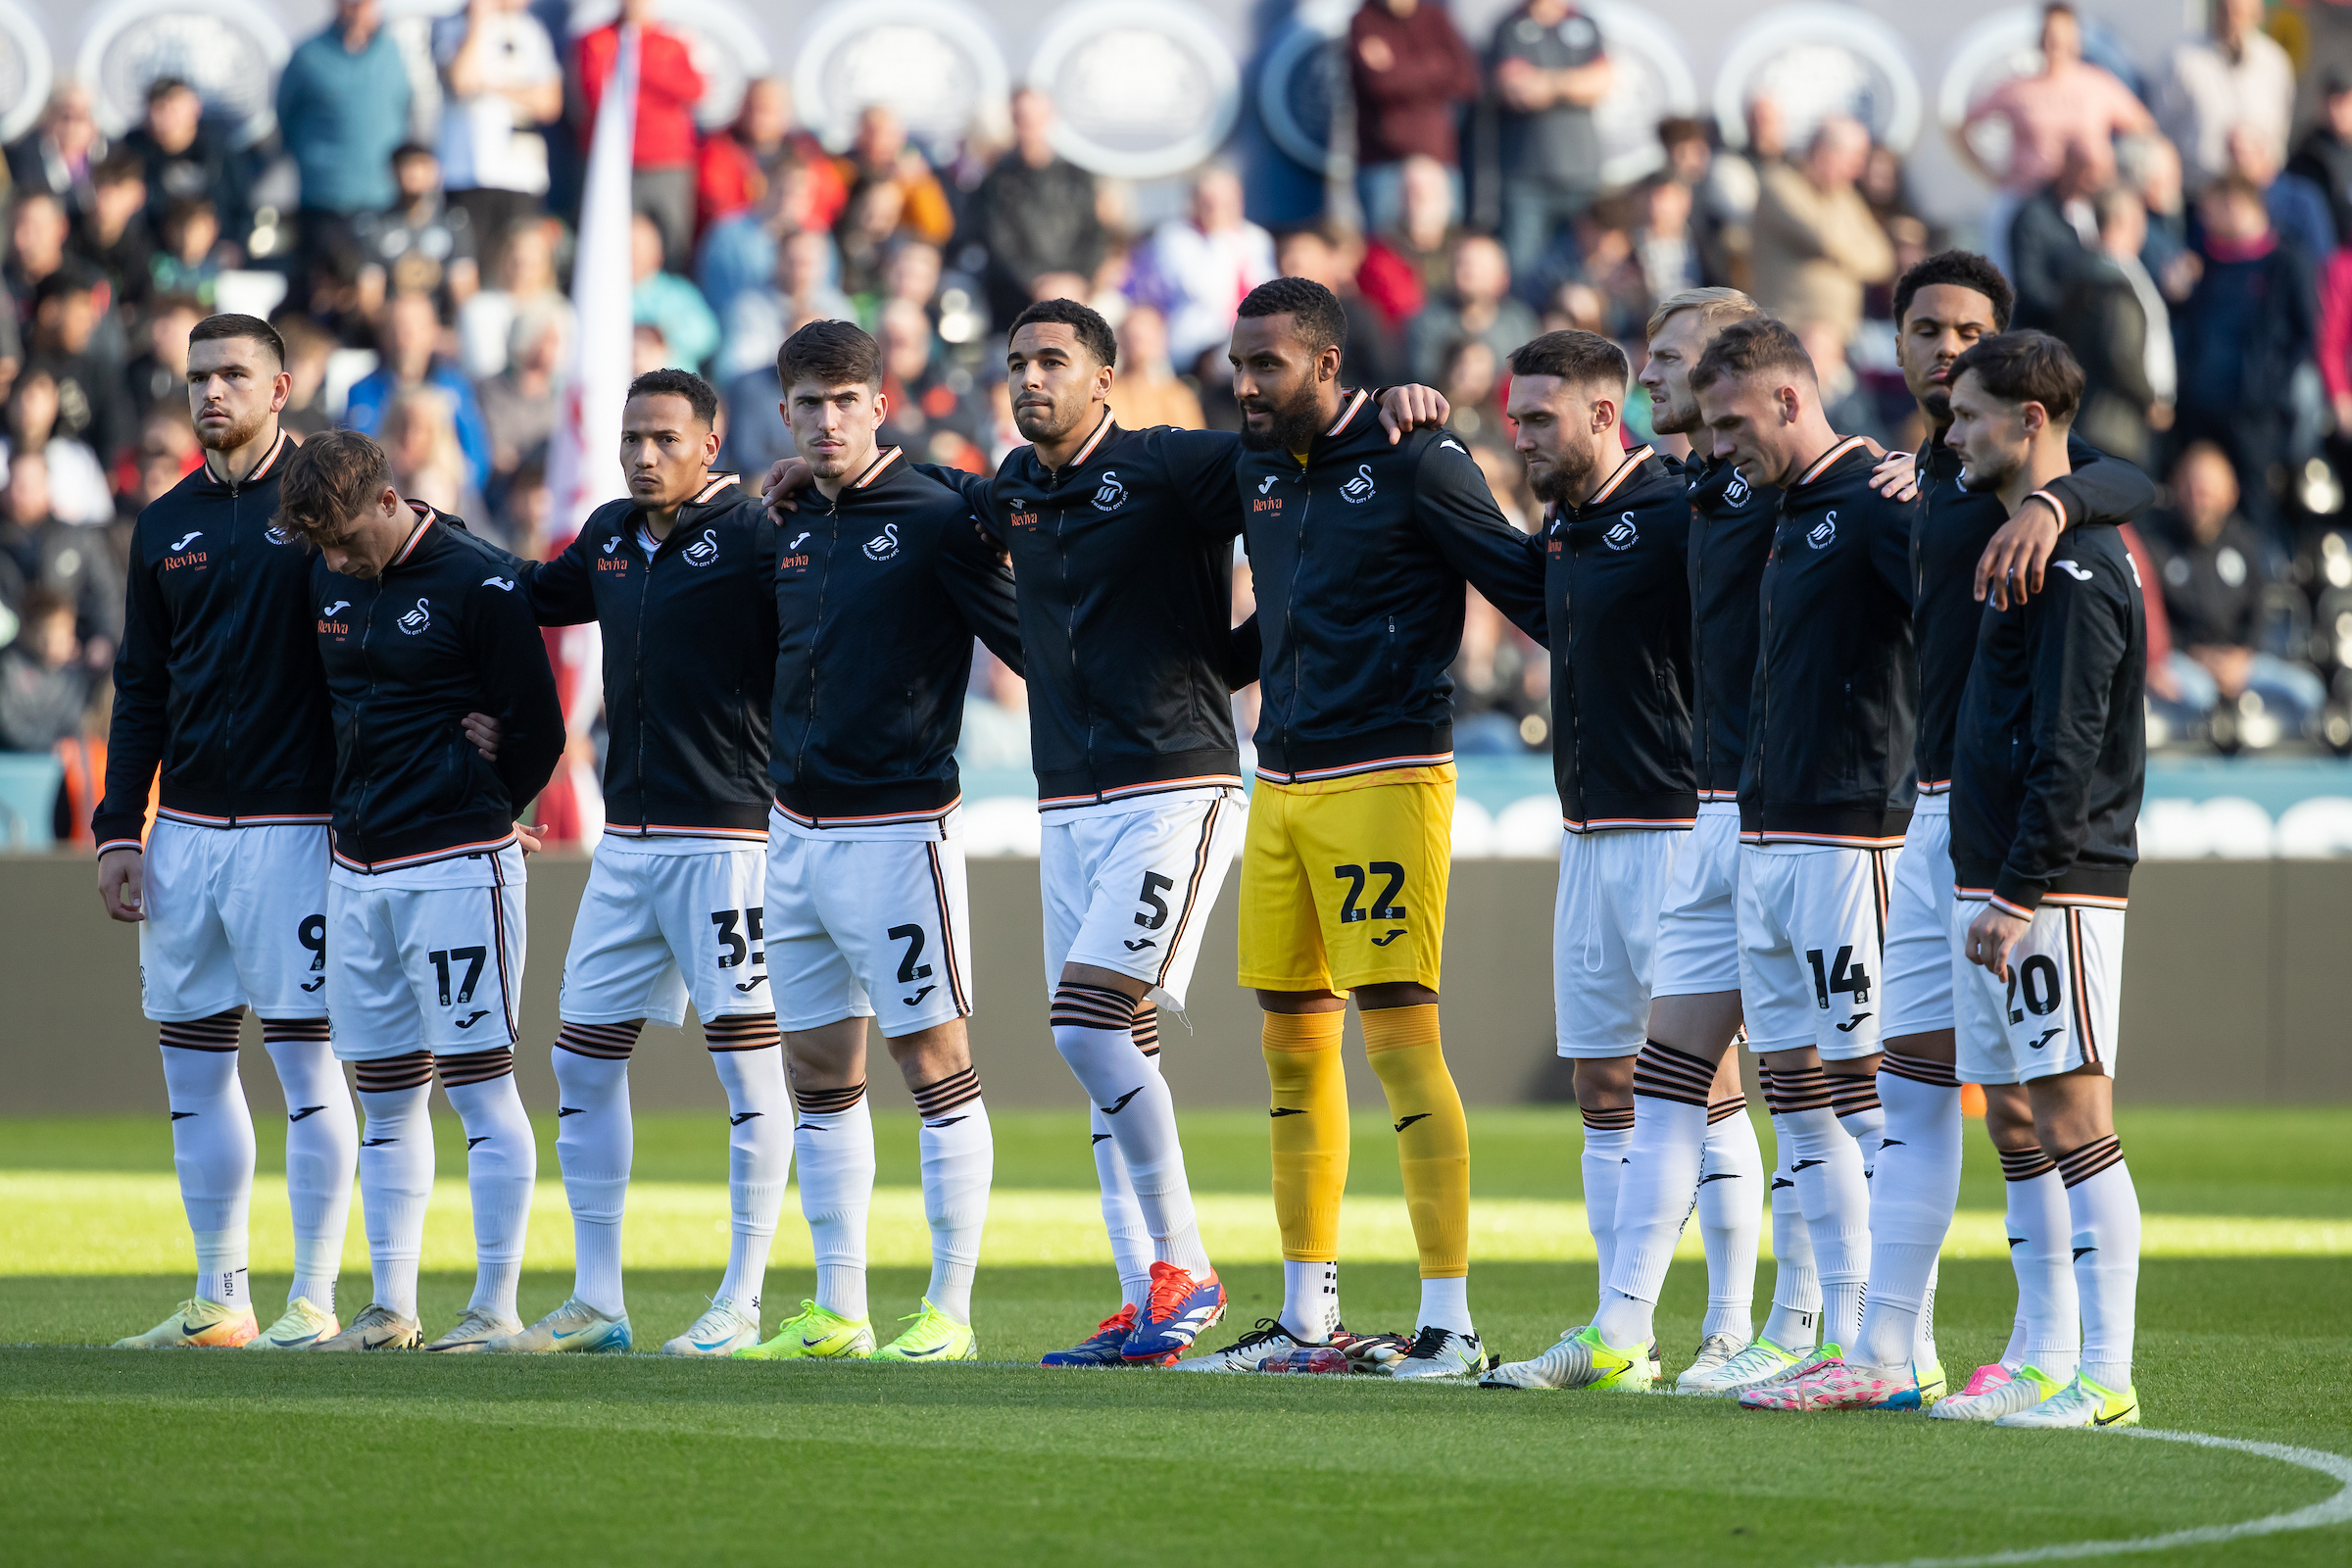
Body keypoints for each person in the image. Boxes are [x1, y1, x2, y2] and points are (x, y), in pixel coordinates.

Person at [759, 302, 1450, 1371]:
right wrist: (825, 480)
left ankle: (1188, 1266)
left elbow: (1299, 458)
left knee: (1085, 1024)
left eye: (1053, 361)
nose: (1031, 377)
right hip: (1066, 797)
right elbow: (940, 502)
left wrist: (1393, 409)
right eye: (1018, 362)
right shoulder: (1014, 492)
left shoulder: (1175, 467)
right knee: (1107, 1046)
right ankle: (1145, 1303)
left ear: (1105, 379)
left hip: (1178, 782)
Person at [1741, 256, 2149, 1417]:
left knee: (2042, 1105)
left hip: (2021, 837)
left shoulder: (2047, 504)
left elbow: (2125, 476)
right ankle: (1888, 1345)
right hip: (1937, 820)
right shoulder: (1919, 472)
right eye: (1926, 330)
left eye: (1967, 336)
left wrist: (2058, 498)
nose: (1941, 352)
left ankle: (2063, 1352)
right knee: (1914, 1080)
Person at [1223, 276, 1544, 1380]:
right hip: (1280, 779)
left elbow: (1529, 585)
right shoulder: (1257, 465)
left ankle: (1449, 1323)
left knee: (1401, 1037)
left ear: (1325, 364)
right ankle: (1308, 1314)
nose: (1246, 384)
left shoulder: (1418, 456)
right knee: (1289, 1039)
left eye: (1267, 364)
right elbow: (1277, 615)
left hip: (1387, 771)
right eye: (1238, 363)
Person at [457, 369, 785, 1357]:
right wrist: (431, 540)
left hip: (732, 840)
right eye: (632, 438)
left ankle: (742, 1300)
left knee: (750, 1070)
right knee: (580, 1058)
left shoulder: (757, 537)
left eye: (664, 439)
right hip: (629, 840)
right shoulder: (607, 533)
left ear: (709, 447)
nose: (644, 455)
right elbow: (522, 591)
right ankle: (599, 1300)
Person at [730, 320, 1023, 1365]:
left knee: (933, 1058)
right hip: (793, 831)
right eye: (807, 403)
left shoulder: (939, 512)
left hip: (900, 828)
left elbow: (1025, 639)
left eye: (845, 400)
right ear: (786, 413)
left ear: (880, 404)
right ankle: (840, 1309)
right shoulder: (790, 516)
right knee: (816, 1070)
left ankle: (949, 1309)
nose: (826, 420)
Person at [93, 315, 358, 1353]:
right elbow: (139, 687)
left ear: (281, 388)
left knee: (305, 1062)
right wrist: (122, 828)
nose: (212, 392)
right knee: (193, 1063)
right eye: (199, 376)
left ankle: (317, 1297)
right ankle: (219, 1296)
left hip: (301, 830)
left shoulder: (326, 506)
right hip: (188, 833)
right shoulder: (164, 523)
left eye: (234, 375)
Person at [277, 427, 563, 1352]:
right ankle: (391, 1306)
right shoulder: (327, 575)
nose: (333, 561)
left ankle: (493, 1308)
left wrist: (488, 800)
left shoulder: (477, 581)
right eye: (319, 547)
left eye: (343, 540)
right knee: (387, 1092)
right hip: (356, 868)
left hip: (454, 866)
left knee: (480, 1084)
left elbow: (540, 728)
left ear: (387, 503)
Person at [1467, 330, 1704, 1393]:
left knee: (1701, 1082)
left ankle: (1740, 1323)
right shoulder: (1566, 530)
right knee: (1601, 1079)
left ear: (1609, 416)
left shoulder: (1676, 514)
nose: (1522, 438)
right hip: (1589, 829)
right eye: (1515, 420)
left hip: (1678, 830)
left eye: (1540, 420)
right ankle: (1626, 1337)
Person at [1686, 317, 1909, 1383]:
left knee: (1867, 1094)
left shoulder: (1876, 500)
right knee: (1798, 1095)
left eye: (1732, 422)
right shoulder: (1785, 511)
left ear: (1788, 399)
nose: (1720, 444)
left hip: (1846, 834)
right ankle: (1826, 1334)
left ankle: (1891, 1341)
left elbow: (1952, 631)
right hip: (1768, 840)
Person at [1942, 330, 2148, 1431]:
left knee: (2077, 1118)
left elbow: (2069, 747)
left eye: (1970, 413)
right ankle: (2053, 1356)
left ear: (2029, 420)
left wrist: (2021, 889)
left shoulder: (2077, 563)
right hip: (2004, 878)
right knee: (2023, 1114)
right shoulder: (2032, 544)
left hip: (2054, 888)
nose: (1953, 431)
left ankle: (2105, 1375)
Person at [2143, 442, 2328, 737]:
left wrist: (2243, 657)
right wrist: (2196, 656)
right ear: (2177, 487)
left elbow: (2261, 614)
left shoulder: (2248, 546)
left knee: (2308, 692)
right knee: (2198, 694)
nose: (2198, 497)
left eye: (2207, 488)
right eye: (2192, 486)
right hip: (2183, 661)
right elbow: (2152, 617)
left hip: (2240, 662)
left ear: (2230, 493)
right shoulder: (2156, 547)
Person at [1959, 3, 2156, 278]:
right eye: (2050, 35)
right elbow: (1964, 126)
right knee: (2010, 276)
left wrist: (2119, 176)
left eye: (2064, 35)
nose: (2056, 44)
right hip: (2027, 197)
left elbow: (2143, 126)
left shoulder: (2098, 84)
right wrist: (1991, 173)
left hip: (2084, 201)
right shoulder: (2019, 89)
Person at [2173, 174, 2319, 543]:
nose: (2205, 219)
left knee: (2255, 503)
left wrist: (2270, 385)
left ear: (2236, 204)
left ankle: (2259, 584)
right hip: (2200, 404)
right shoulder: (2202, 259)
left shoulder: (2286, 260)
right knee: (2196, 494)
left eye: (2212, 209)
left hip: (2253, 411)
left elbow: (2306, 332)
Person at [1490, 0, 1614, 296]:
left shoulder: (1584, 24)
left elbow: (1603, 80)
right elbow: (1516, 90)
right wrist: (1573, 81)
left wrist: (1548, 82)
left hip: (1583, 174)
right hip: (1527, 177)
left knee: (1587, 274)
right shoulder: (1510, 26)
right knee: (1523, 275)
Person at [276, 1, 414, 267]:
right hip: (324, 200)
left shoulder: (392, 53)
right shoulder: (309, 55)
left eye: (366, 4)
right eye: (352, 3)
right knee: (323, 287)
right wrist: (314, 161)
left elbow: (404, 108)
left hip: (383, 198)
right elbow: (286, 115)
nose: (359, 9)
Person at [577, 0, 708, 272]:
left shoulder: (673, 42)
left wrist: (640, 72)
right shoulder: (597, 40)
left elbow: (694, 90)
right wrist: (657, 93)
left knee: (672, 241)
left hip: (667, 161)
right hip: (614, 161)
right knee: (612, 241)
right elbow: (598, 96)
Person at [1750, 117, 1894, 351]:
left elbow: (1882, 259)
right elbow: (1825, 240)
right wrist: (1850, 248)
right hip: (1789, 336)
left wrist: (1841, 253)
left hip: (1839, 337)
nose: (1857, 171)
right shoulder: (1778, 185)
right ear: (1823, 153)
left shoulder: (1844, 196)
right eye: (1853, 159)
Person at [2057, 188, 2176, 467]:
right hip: (2112, 424)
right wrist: (2150, 400)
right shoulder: (2110, 280)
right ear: (2123, 221)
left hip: (2096, 421)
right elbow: (2120, 351)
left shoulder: (2086, 273)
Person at [970, 89, 1108, 329]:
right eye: (1021, 117)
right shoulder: (996, 182)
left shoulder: (1078, 178)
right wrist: (1038, 284)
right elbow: (999, 243)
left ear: (1049, 117)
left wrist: (1076, 280)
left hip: (1076, 293)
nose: (1028, 125)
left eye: (1034, 117)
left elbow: (1094, 234)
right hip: (1014, 305)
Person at [432, 0, 562, 251]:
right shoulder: (451, 27)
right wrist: (478, 20)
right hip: (466, 173)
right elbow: (462, 82)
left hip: (521, 174)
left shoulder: (531, 30)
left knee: (518, 257)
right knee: (471, 261)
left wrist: (491, 86)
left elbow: (549, 103)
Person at [345, 289, 495, 498]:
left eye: (416, 326)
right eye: (397, 326)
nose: (405, 335)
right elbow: (352, 459)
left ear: (434, 331)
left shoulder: (456, 388)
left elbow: (477, 460)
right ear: (384, 333)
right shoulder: (362, 392)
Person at [1348, 0, 1479, 239]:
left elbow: (1466, 80)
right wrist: (1435, 68)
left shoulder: (1437, 19)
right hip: (1384, 162)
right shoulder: (1365, 21)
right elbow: (1379, 83)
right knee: (1386, 252)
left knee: (1444, 250)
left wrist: (1397, 69)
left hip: (1438, 159)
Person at [1128, 168, 1277, 373]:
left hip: (1244, 348)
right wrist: (1222, 238)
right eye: (1209, 202)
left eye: (1226, 202)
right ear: (1194, 202)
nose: (1217, 210)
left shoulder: (1256, 239)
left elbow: (1264, 291)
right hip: (1189, 351)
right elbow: (1205, 291)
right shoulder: (1174, 237)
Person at [2155, 0, 2294, 191]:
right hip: (2199, 194)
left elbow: (2279, 137)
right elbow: (2161, 130)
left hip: (2256, 196)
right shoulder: (2184, 58)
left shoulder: (2274, 63)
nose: (2233, 22)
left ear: (2258, 14)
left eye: (2241, 14)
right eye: (2227, 12)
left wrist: (2259, 160)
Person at [695, 77, 844, 241]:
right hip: (741, 240)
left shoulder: (806, 154)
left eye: (766, 110)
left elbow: (828, 201)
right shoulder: (718, 149)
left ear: (785, 113)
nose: (757, 117)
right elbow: (717, 204)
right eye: (751, 106)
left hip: (793, 240)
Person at [351, 144, 478, 315]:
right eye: (407, 165)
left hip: (440, 327)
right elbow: (369, 298)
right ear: (392, 172)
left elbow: (464, 291)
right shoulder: (374, 226)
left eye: (422, 165)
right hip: (392, 325)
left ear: (436, 171)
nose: (414, 173)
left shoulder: (453, 222)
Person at [1405, 234, 1541, 384]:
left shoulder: (1519, 324)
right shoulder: (1428, 324)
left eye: (1481, 267)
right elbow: (1424, 381)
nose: (1470, 272)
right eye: (1463, 264)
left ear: (1503, 276)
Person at [0, 587, 90, 755]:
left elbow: (71, 722)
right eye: (59, 635)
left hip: (57, 764)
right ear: (34, 633)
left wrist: (63, 744)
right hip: (11, 762)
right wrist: (46, 744)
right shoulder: (8, 666)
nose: (69, 642)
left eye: (69, 633)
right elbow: (7, 723)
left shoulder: (72, 675)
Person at [628, 212, 719, 374]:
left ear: (656, 254)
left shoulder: (679, 292)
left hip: (676, 385)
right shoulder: (601, 297)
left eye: (636, 247)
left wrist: (663, 335)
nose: (631, 255)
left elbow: (707, 336)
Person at [1108, 306, 1203, 431]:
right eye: (1133, 338)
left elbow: (1193, 441)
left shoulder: (1179, 396)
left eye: (1145, 339)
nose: (1138, 347)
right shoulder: (1108, 395)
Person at [2289, 71, 2352, 244]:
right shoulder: (2310, 151)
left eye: (2342, 102)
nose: (2334, 111)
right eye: (2329, 103)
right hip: (2331, 250)